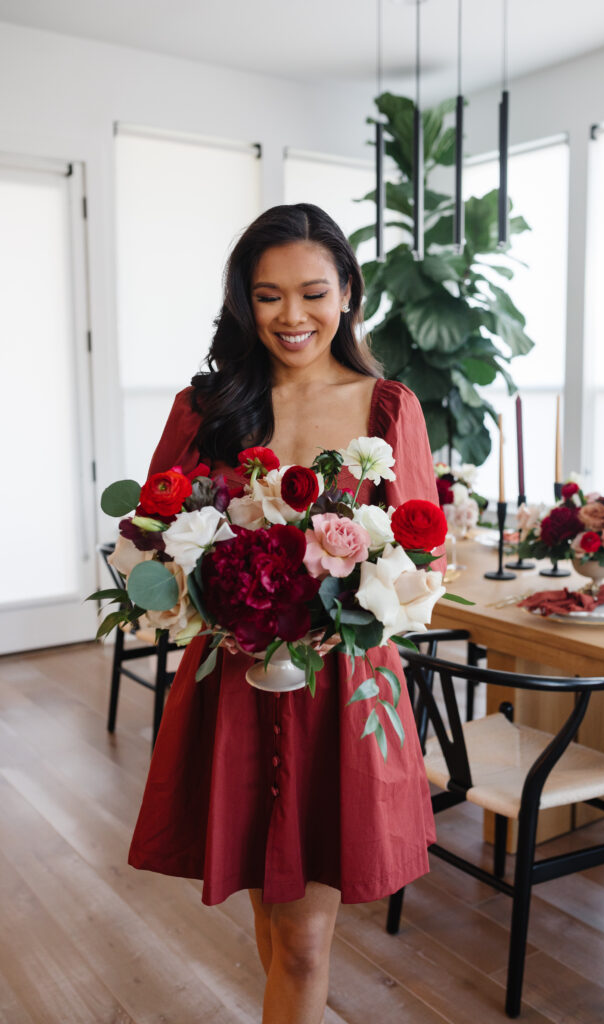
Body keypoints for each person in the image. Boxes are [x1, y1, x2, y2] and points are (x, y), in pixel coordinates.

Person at [128, 203, 442, 1024]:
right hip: (233, 682)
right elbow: (154, 540)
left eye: (312, 292)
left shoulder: (388, 408)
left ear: (348, 293)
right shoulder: (205, 408)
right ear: (243, 302)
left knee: (303, 944)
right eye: (267, 296)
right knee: (272, 919)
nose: (291, 317)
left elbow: (417, 567)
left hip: (342, 693)